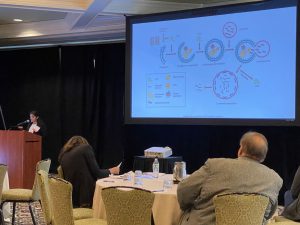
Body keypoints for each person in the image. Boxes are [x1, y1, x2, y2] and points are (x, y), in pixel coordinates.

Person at [177, 131, 283, 225]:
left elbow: (184, 191)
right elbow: (268, 214)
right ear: (263, 156)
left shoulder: (214, 166)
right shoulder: (275, 179)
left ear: (240, 150)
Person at [58, 136, 120, 208]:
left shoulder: (63, 154)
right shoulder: (85, 148)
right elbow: (98, 173)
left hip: (72, 196)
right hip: (85, 197)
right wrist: (112, 170)